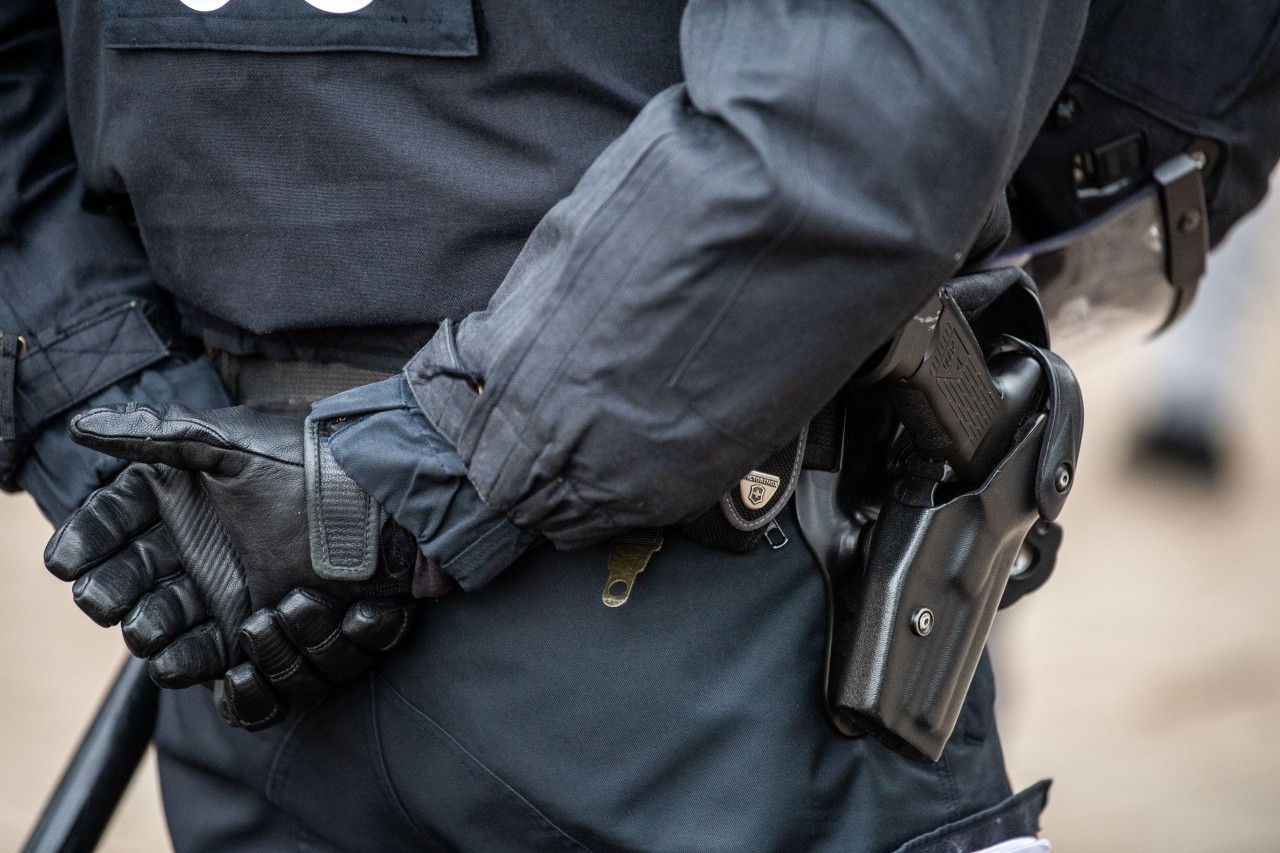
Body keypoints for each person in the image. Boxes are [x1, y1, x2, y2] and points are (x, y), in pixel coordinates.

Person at [9, 1, 1271, 851]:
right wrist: (388, 486)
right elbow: (858, 110)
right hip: (700, 637)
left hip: (245, 609)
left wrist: (130, 444)